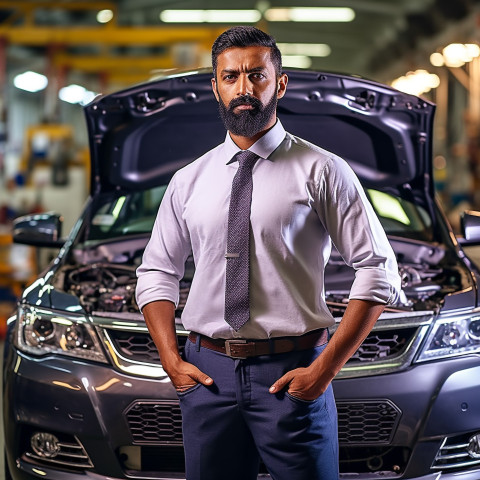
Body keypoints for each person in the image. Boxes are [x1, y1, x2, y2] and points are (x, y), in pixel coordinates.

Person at [136, 26, 401, 480]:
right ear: (215, 86)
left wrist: (323, 372)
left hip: (294, 372)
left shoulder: (323, 170)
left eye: (256, 75)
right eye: (231, 76)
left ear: (279, 83)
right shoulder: (188, 180)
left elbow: (377, 270)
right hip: (207, 376)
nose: (244, 88)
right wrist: (170, 361)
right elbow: (157, 272)